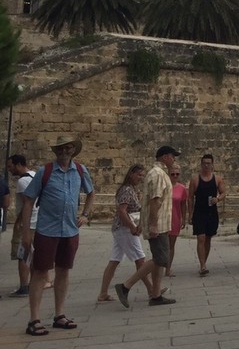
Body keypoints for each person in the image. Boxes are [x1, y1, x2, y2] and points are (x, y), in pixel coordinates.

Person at [20, 134, 95, 336]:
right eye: (59, 148)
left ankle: (59, 315)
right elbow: (28, 201)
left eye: (67, 148)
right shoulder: (45, 171)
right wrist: (26, 233)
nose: (63, 151)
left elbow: (91, 192)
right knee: (40, 273)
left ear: (73, 150)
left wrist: (86, 215)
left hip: (70, 230)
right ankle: (34, 319)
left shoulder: (80, 170)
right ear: (55, 151)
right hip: (47, 230)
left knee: (63, 271)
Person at [115, 145, 178, 308]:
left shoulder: (158, 173)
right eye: (173, 156)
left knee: (160, 260)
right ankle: (125, 286)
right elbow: (155, 200)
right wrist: (153, 224)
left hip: (161, 223)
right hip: (159, 225)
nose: (174, 160)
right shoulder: (158, 174)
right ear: (165, 157)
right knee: (160, 259)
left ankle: (155, 295)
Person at [97, 164, 156, 302]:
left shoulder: (131, 190)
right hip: (124, 229)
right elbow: (122, 211)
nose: (141, 178)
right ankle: (151, 290)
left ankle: (103, 293)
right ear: (131, 174)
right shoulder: (126, 190)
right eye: (139, 175)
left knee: (114, 260)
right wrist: (131, 226)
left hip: (121, 228)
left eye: (142, 175)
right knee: (140, 259)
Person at [188, 153, 226, 276]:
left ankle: (204, 261)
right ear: (201, 164)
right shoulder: (195, 180)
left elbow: (224, 193)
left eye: (208, 163)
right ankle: (202, 266)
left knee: (208, 238)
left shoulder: (217, 179)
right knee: (201, 238)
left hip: (211, 213)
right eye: (204, 163)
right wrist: (190, 214)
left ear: (212, 165)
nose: (206, 165)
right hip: (199, 212)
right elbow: (190, 198)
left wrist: (218, 199)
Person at [7, 155, 37, 297]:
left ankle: (24, 286)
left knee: (22, 254)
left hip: (27, 222)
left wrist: (20, 222)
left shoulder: (22, 181)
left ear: (19, 164)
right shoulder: (34, 175)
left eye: (10, 166)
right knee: (31, 253)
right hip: (36, 221)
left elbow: (26, 203)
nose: (9, 169)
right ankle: (34, 282)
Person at [167, 162, 188, 277]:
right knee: (163, 245)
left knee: (171, 245)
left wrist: (183, 219)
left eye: (177, 174)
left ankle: (168, 268)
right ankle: (160, 267)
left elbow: (183, 204)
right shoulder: (164, 186)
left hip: (175, 218)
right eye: (172, 174)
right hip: (164, 219)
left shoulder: (182, 188)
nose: (175, 176)